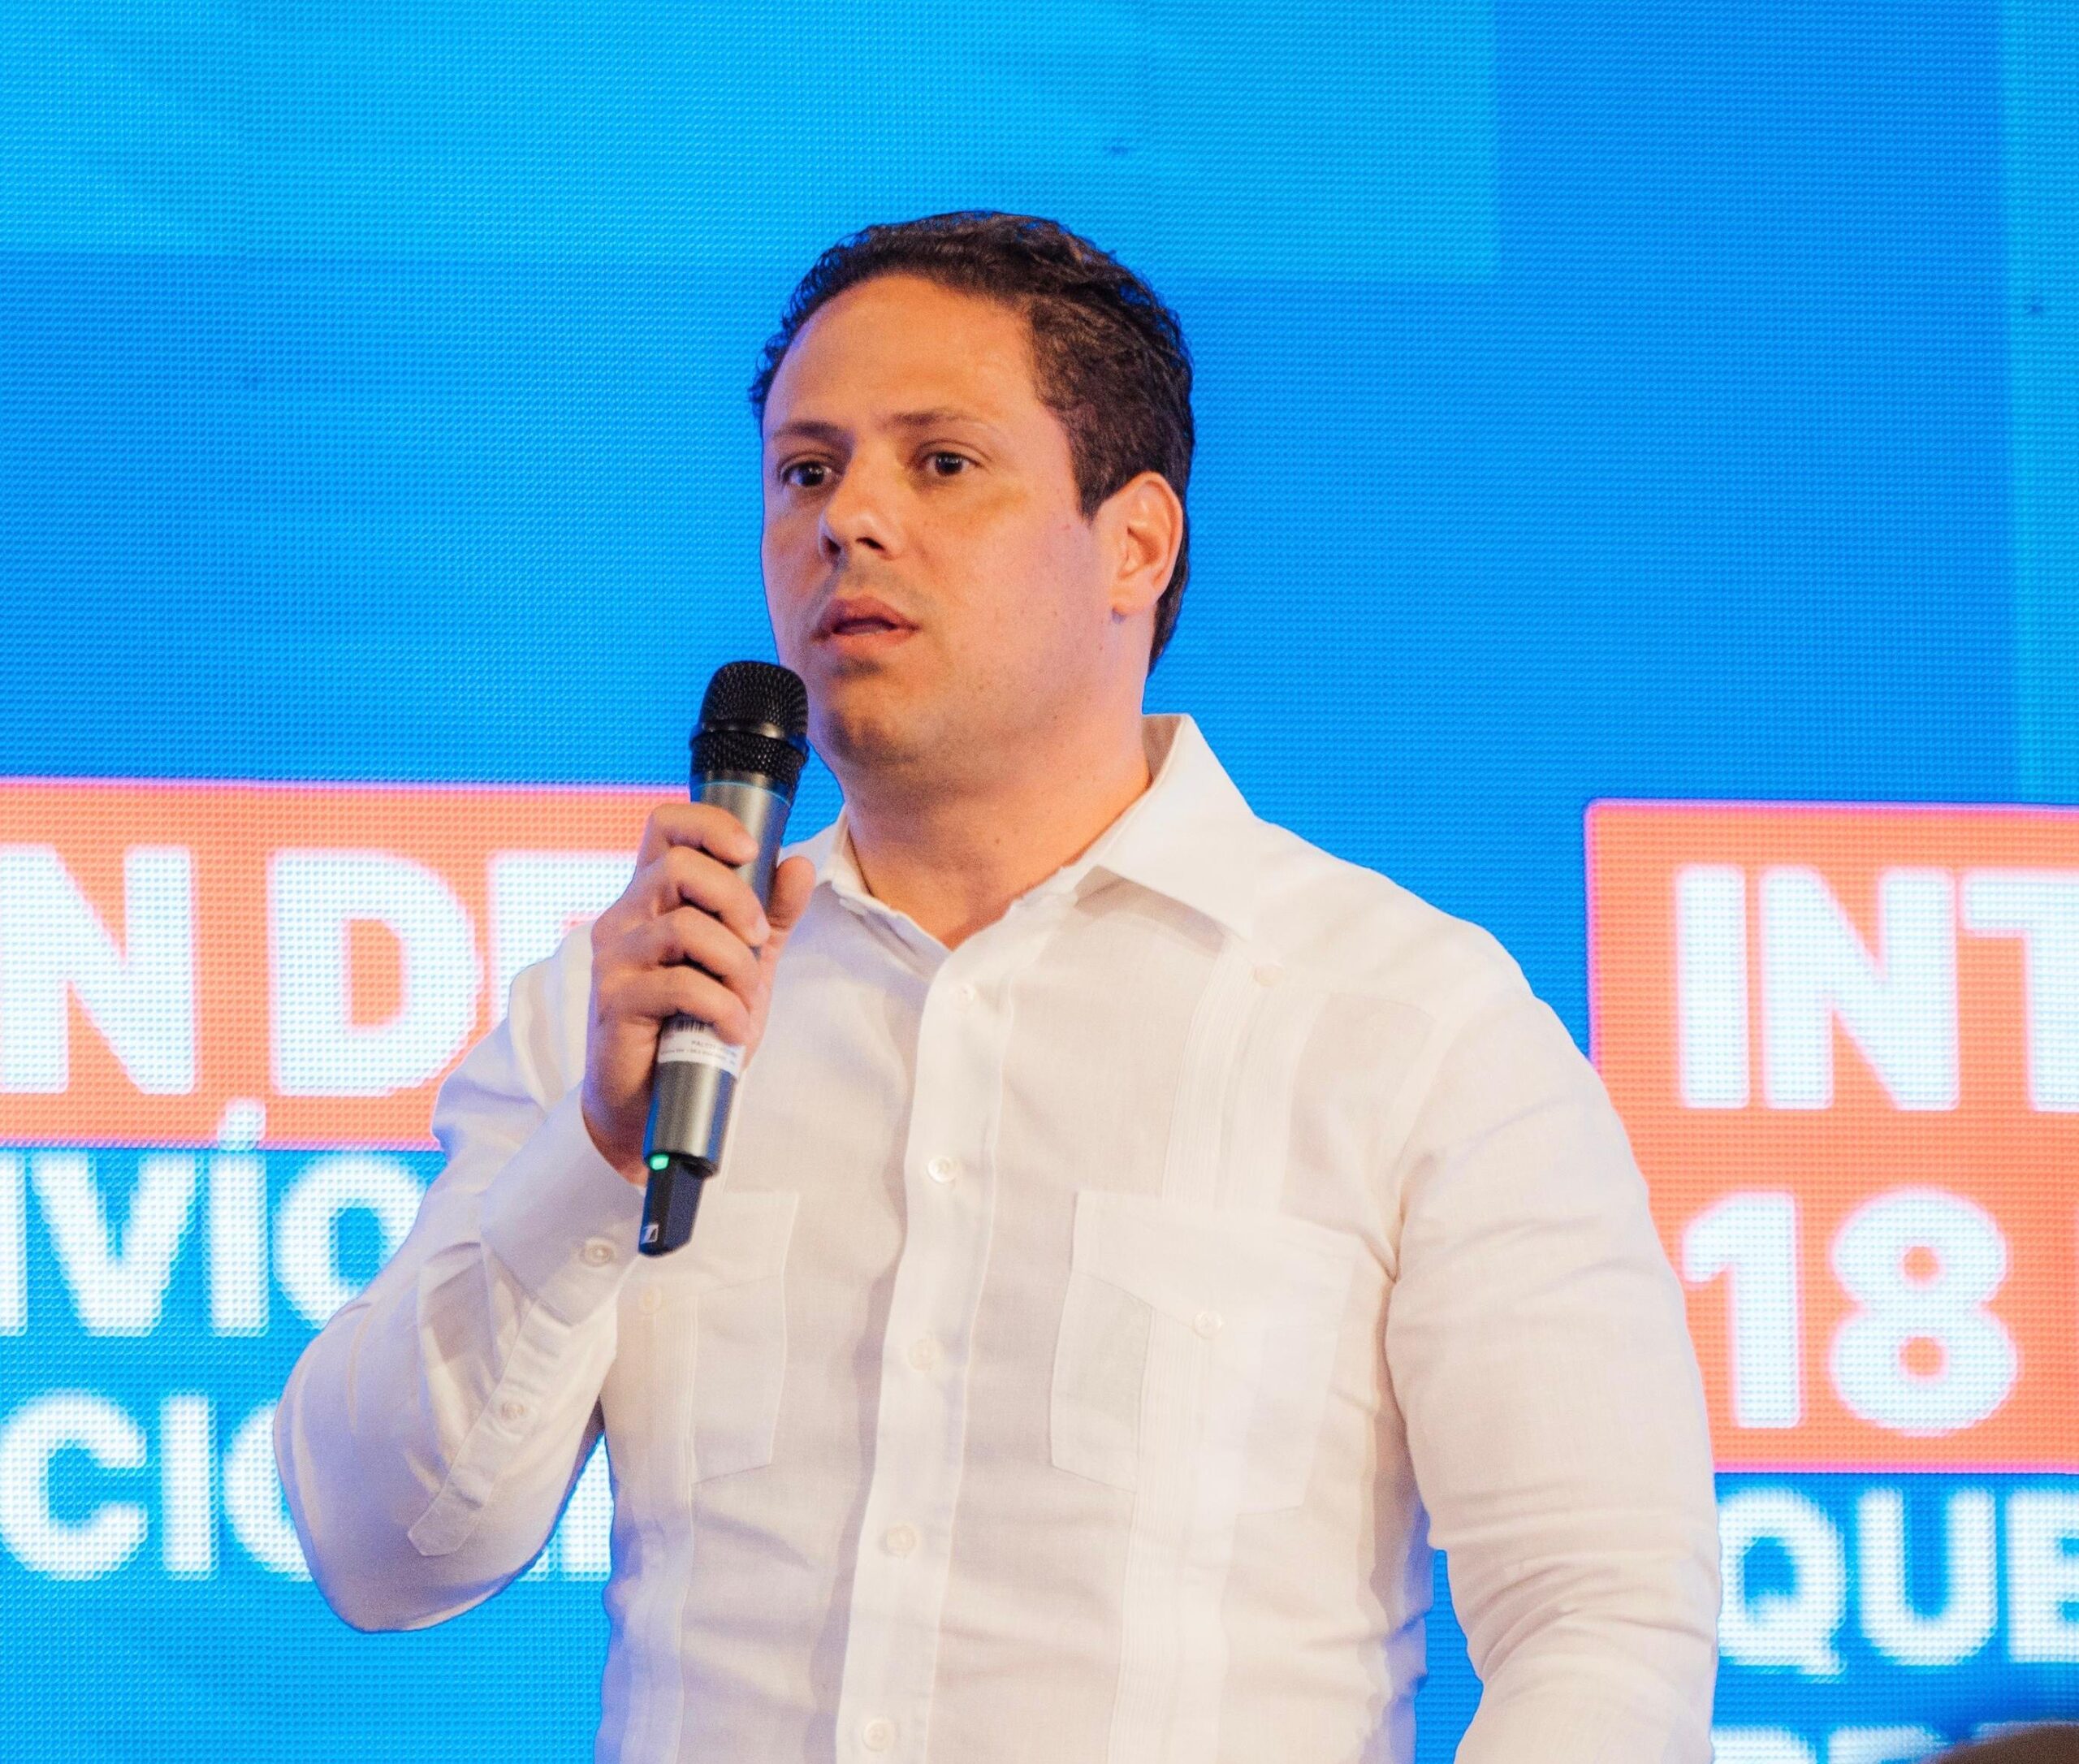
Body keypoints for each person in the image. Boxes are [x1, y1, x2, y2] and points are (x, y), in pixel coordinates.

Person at [275, 211, 1721, 1762]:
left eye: (942, 463)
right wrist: (593, 1160)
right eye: (806, 472)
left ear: (1136, 544)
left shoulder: (1408, 1023)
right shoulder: (635, 1003)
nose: (850, 521)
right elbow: (381, 1553)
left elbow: (1601, 1619)